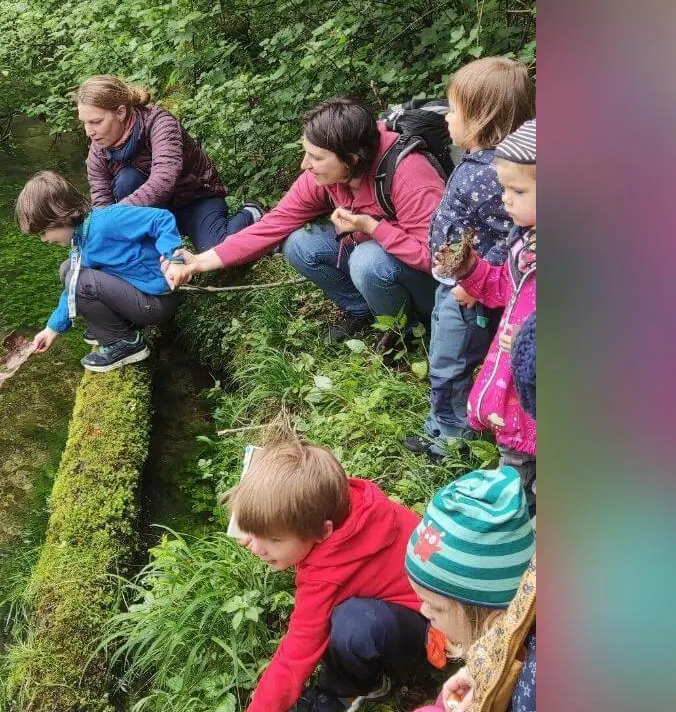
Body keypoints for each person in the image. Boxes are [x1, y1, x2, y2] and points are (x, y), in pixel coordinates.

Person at [161, 97, 444, 346]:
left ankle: (407, 333)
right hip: (382, 256)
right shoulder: (325, 176)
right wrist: (199, 262)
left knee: (367, 259)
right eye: (306, 152)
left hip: (432, 283)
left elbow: (436, 258)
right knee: (299, 244)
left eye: (316, 157)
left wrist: (373, 228)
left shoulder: (410, 174)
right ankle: (364, 311)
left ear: (352, 159)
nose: (304, 165)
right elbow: (273, 225)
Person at [226, 440, 438, 712]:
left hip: (434, 630)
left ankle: (346, 690)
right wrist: (257, 528)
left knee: (353, 625)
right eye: (251, 534)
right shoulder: (349, 501)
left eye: (274, 539)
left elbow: (297, 652)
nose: (254, 547)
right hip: (441, 600)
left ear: (323, 532)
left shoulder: (324, 577)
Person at [405, 57, 534, 460]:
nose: (446, 119)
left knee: (450, 361)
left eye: (455, 111)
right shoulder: (484, 164)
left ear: (482, 118)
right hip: (461, 281)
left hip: (468, 292)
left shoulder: (491, 175)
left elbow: (503, 237)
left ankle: (449, 437)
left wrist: (471, 283)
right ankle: (454, 424)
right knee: (452, 356)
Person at [432, 120, 537, 503]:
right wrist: (471, 269)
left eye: (518, 190)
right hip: (517, 383)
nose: (505, 199)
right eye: (504, 187)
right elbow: (506, 292)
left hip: (536, 381)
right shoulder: (525, 243)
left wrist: (531, 336)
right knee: (517, 462)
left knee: (520, 478)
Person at [16, 171, 181, 372]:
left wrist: (173, 259)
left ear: (61, 213)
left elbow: (160, 219)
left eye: (43, 232)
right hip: (136, 297)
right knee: (67, 269)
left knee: (82, 280)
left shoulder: (108, 221)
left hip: (156, 300)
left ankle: (124, 344)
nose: (44, 240)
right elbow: (71, 288)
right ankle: (112, 326)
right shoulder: (80, 240)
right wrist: (52, 329)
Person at [78, 75, 262, 252]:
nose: (89, 132)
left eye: (96, 122)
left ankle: (251, 213)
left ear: (120, 112)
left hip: (195, 199)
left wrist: (116, 215)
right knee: (127, 180)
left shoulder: (159, 123)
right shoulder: (98, 152)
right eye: (85, 123)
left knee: (217, 249)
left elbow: (164, 180)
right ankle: (152, 248)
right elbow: (102, 202)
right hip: (154, 210)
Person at [404, 468, 536, 712]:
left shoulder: (533, 694)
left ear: (493, 620)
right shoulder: (506, 634)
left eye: (436, 607)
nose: (423, 610)